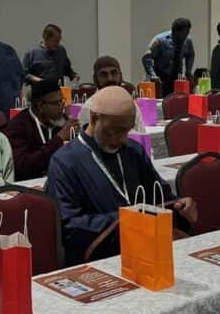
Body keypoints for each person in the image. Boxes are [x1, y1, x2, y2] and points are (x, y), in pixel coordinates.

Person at [45, 86, 197, 265]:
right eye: (115, 130)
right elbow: (69, 226)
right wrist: (127, 221)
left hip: (146, 251)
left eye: (127, 130)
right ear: (94, 118)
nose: (123, 138)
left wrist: (180, 207)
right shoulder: (65, 161)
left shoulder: (133, 151)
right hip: (100, 259)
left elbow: (161, 197)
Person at [4, 80, 77, 181]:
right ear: (40, 106)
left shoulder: (62, 121)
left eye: (62, 101)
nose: (62, 107)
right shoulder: (18, 126)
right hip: (29, 186)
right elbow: (21, 167)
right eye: (57, 103)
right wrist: (59, 139)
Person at [77, 56, 146, 132]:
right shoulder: (89, 107)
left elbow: (142, 137)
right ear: (95, 79)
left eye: (114, 73)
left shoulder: (130, 104)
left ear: (120, 76)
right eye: (103, 74)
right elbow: (86, 142)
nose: (110, 79)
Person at [140, 18, 195, 96]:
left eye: (188, 32)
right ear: (175, 31)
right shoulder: (160, 40)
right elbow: (146, 58)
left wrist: (188, 71)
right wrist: (152, 75)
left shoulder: (188, 41)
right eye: (183, 33)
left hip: (177, 80)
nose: (186, 36)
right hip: (161, 79)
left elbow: (190, 55)